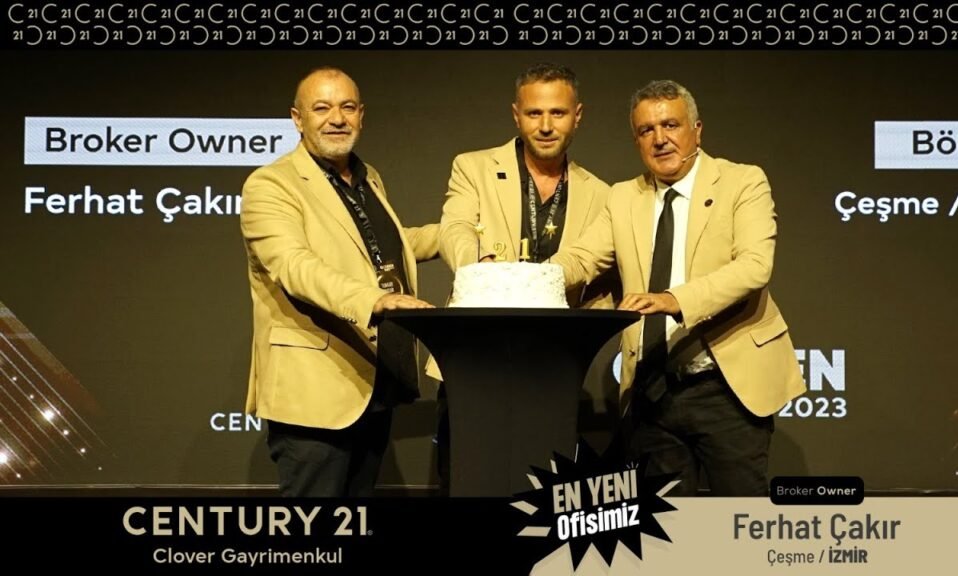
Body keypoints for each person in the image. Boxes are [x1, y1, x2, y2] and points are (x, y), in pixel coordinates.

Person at [550, 80, 805, 496]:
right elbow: (580, 259)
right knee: (667, 527)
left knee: (740, 519)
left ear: (696, 130)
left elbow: (755, 267)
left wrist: (674, 300)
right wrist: (520, 278)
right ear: (636, 140)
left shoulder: (742, 182)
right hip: (652, 392)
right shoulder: (623, 197)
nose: (660, 139)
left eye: (670, 125)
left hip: (725, 388)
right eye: (646, 130)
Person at [240, 67, 439, 497]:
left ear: (361, 115)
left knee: (355, 522)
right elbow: (295, 266)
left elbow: (380, 248)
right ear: (297, 119)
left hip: (372, 386)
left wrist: (452, 233)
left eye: (347, 107)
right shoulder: (271, 184)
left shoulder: (368, 177)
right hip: (314, 396)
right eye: (322, 108)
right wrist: (375, 300)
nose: (337, 118)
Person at [431, 63, 619, 492]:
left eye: (558, 113)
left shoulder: (602, 194)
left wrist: (533, 279)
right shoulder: (473, 167)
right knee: (468, 490)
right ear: (516, 115)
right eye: (535, 113)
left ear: (577, 116)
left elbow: (588, 260)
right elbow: (455, 228)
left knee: (543, 498)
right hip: (473, 360)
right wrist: (480, 265)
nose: (546, 126)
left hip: (550, 370)